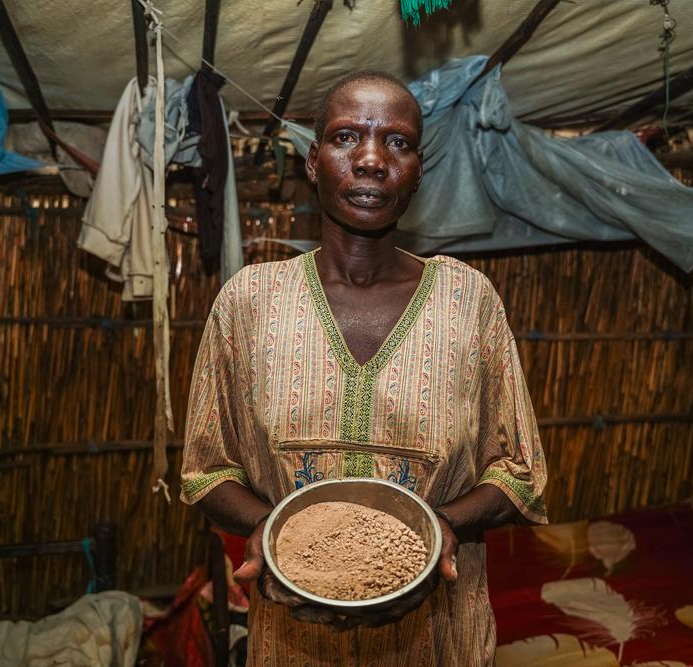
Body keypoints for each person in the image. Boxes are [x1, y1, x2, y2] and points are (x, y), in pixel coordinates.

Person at [180, 70, 547, 665]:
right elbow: (204, 470)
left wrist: (438, 531)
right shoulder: (249, 302)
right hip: (295, 635)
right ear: (312, 160)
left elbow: (520, 471)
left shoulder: (466, 301)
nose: (372, 159)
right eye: (347, 137)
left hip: (437, 637)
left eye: (398, 142)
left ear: (419, 170)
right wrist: (280, 538)